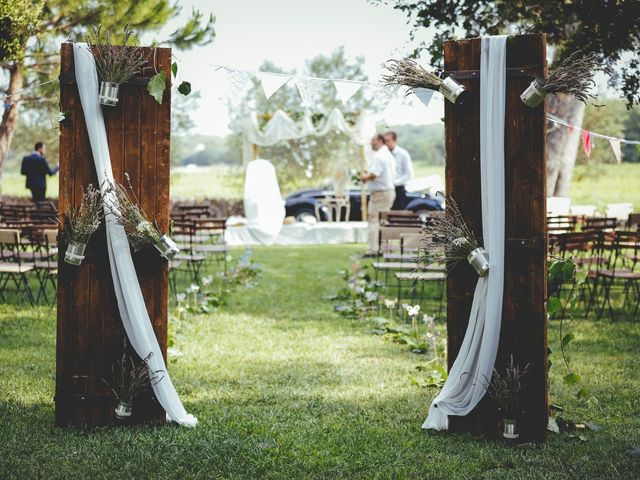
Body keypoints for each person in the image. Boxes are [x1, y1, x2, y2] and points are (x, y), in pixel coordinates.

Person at [361, 134, 395, 256]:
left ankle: (374, 249)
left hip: (380, 193)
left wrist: (364, 177)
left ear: (380, 141)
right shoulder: (388, 155)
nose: (371, 144)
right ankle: (383, 248)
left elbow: (375, 174)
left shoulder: (379, 156)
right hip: (388, 191)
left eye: (373, 141)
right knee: (383, 221)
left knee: (374, 220)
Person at [384, 131, 414, 210]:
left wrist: (395, 183)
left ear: (395, 140)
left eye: (388, 140)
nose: (386, 143)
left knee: (397, 214)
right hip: (386, 189)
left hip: (398, 189)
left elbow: (408, 174)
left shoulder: (403, 154)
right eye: (385, 141)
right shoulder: (383, 154)